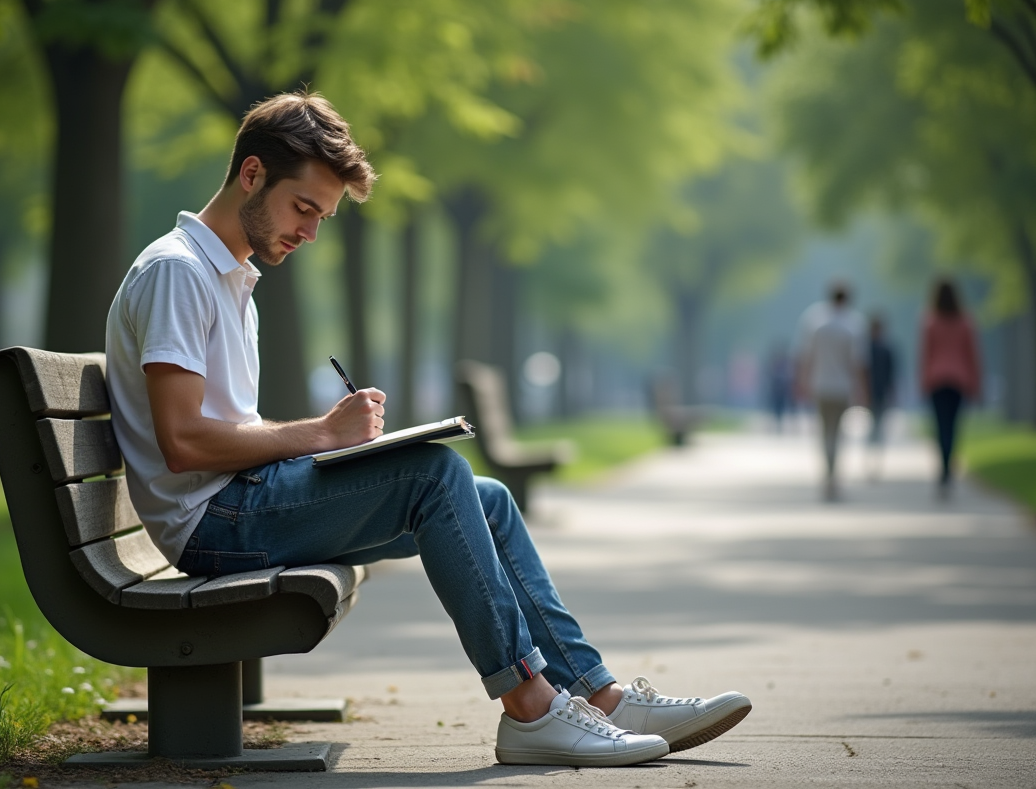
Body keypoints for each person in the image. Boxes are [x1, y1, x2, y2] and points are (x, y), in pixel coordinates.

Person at [104, 91, 750, 768]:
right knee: (437, 475)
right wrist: (321, 436)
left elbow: (225, 427)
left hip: (242, 499)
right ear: (253, 174)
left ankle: (601, 695)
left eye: (322, 217)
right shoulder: (179, 273)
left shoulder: (229, 277)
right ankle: (528, 708)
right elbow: (183, 443)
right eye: (305, 209)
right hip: (213, 523)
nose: (310, 232)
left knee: (488, 498)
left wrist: (344, 444)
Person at [795, 282, 865, 501]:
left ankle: (828, 474)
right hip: (843, 387)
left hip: (821, 385)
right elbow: (856, 362)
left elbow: (806, 356)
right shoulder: (853, 324)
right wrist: (861, 388)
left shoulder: (815, 321)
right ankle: (834, 475)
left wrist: (802, 382)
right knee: (839, 432)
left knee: (825, 432)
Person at [919, 278, 981, 497]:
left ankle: (943, 469)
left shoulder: (930, 321)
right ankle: (948, 469)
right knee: (953, 427)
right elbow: (972, 355)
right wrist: (975, 382)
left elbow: (926, 355)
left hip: (936, 379)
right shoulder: (964, 321)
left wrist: (923, 381)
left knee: (940, 426)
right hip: (958, 379)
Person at [865, 314, 897, 480]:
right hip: (869, 394)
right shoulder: (867, 349)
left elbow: (891, 375)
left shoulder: (884, 349)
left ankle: (875, 461)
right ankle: (870, 460)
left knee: (878, 427)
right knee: (872, 428)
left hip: (880, 394)